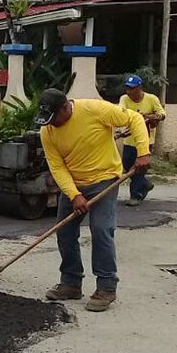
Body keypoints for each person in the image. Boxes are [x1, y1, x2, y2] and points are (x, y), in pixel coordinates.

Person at [37, 88, 150, 312]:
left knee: (101, 229)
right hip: (74, 184)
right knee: (65, 231)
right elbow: (57, 167)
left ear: (65, 107)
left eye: (54, 118)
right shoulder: (47, 131)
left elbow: (135, 119)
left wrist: (143, 152)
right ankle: (71, 282)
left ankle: (106, 287)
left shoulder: (94, 109)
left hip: (104, 179)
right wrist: (74, 195)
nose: (51, 125)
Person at [119, 75, 167, 206]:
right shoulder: (124, 99)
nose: (129, 92)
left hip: (146, 141)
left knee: (139, 167)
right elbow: (121, 112)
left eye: (132, 89)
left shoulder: (151, 99)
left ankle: (136, 195)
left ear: (139, 88)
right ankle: (144, 184)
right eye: (127, 88)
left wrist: (152, 117)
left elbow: (162, 114)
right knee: (128, 166)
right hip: (129, 140)